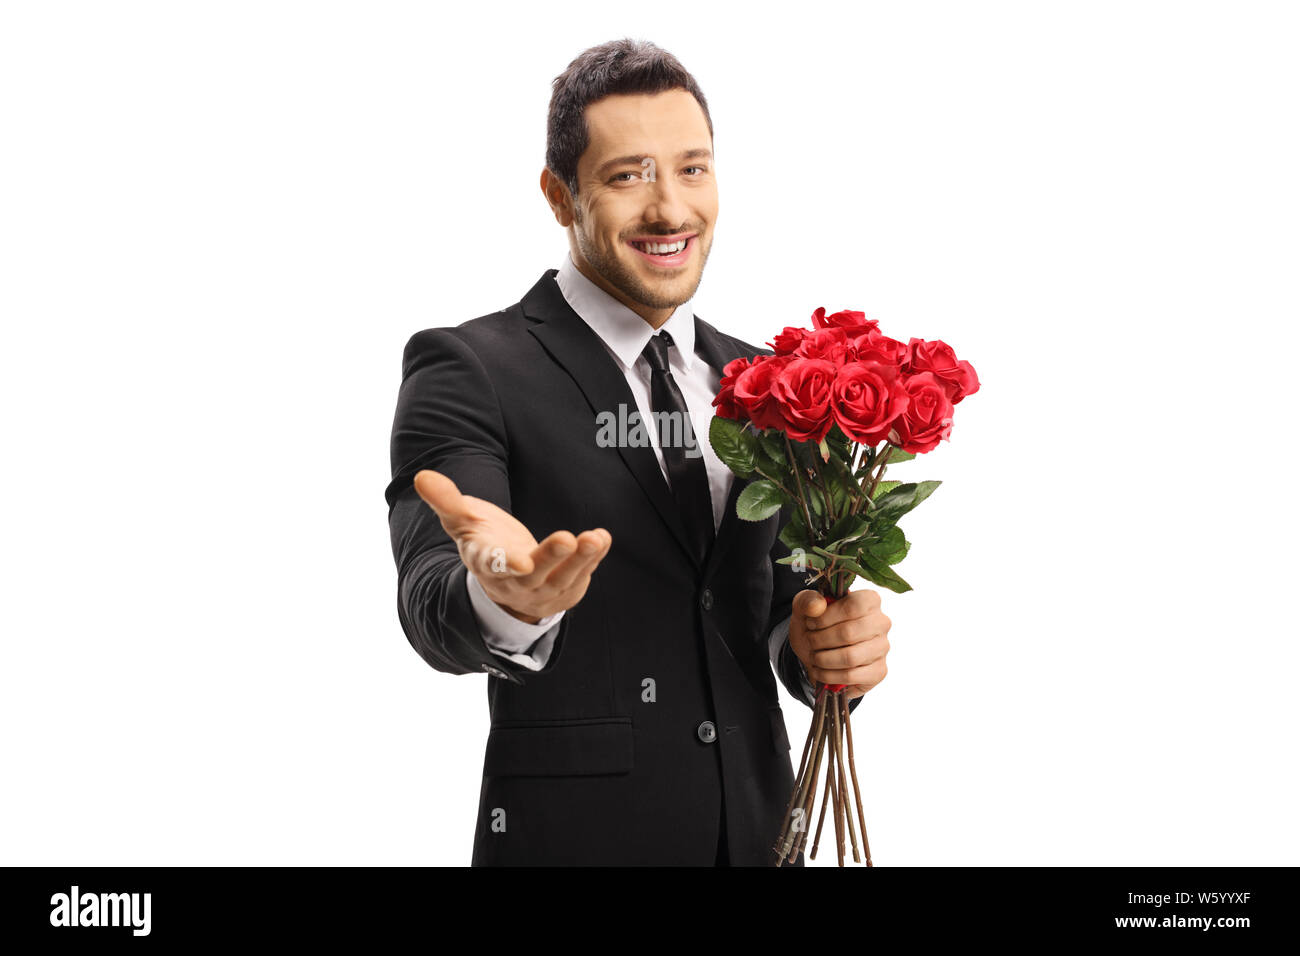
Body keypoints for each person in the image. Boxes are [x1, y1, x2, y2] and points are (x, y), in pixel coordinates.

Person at [384, 38, 891, 866]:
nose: (670, 210)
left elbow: (778, 610)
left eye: (693, 169)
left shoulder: (765, 380)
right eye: (628, 176)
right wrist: (508, 599)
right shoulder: (467, 365)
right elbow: (431, 598)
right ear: (559, 195)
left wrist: (816, 650)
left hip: (763, 837)